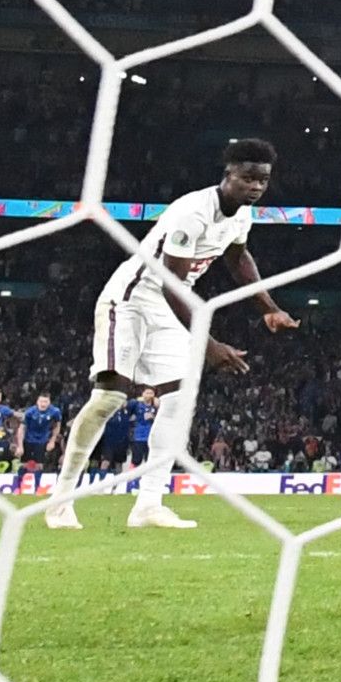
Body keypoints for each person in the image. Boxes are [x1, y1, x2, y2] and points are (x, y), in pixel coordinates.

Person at [45, 139, 299, 530]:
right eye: (247, 178)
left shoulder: (240, 216)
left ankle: (149, 504)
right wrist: (209, 346)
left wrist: (268, 308)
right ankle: (61, 501)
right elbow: (171, 283)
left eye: (262, 180)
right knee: (110, 396)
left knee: (180, 398)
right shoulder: (192, 212)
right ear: (227, 174)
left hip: (167, 306)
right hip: (130, 300)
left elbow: (237, 257)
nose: (255, 187)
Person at [15, 395, 63, 473]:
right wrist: (20, 445)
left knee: (39, 465)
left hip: (43, 440)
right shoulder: (30, 412)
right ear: (37, 402)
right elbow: (21, 428)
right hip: (28, 439)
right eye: (41, 401)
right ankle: (21, 479)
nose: (43, 404)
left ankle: (37, 480)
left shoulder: (55, 412)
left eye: (45, 402)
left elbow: (57, 426)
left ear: (49, 402)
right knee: (25, 464)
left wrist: (52, 441)